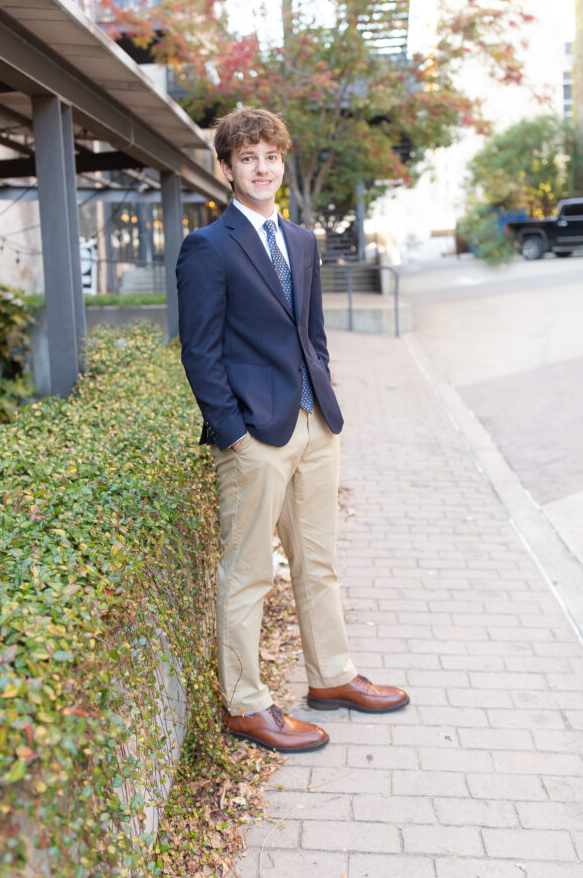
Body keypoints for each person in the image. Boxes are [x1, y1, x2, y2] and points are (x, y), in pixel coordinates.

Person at [176, 107, 408, 753]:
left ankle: (331, 678)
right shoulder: (208, 247)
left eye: (270, 156)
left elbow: (313, 334)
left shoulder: (301, 241)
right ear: (226, 168)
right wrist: (233, 435)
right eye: (247, 157)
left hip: (315, 428)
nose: (261, 167)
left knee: (319, 565)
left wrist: (324, 404)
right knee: (248, 572)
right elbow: (199, 350)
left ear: (282, 162)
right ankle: (247, 705)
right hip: (254, 437)